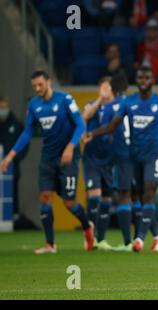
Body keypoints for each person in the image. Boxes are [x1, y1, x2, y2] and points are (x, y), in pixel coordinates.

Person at [0, 70, 95, 254]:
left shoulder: (65, 100)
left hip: (69, 158)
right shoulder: (34, 105)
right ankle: (50, 244)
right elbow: (27, 132)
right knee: (44, 197)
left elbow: (81, 125)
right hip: (48, 158)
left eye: (40, 85)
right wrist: (10, 156)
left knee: (69, 202)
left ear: (49, 82)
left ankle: (87, 226)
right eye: (34, 86)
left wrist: (70, 147)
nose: (37, 88)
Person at [85, 66, 158, 253]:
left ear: (153, 80)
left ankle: (137, 239)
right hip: (133, 156)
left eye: (146, 77)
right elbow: (112, 125)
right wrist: (93, 133)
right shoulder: (127, 103)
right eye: (140, 77)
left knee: (146, 192)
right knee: (139, 196)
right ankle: (156, 237)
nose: (143, 81)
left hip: (153, 154)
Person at [81, 77, 116, 251]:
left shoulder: (116, 107)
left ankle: (100, 239)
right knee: (94, 194)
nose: (105, 89)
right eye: (102, 86)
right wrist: (99, 100)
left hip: (109, 159)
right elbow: (84, 117)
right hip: (91, 158)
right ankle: (89, 234)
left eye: (108, 87)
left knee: (106, 200)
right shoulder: (91, 105)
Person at [0, 96, 28, 220]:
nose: (2, 109)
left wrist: (16, 158)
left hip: (12, 167)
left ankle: (14, 217)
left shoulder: (16, 124)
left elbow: (24, 144)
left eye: (4, 107)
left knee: (12, 191)